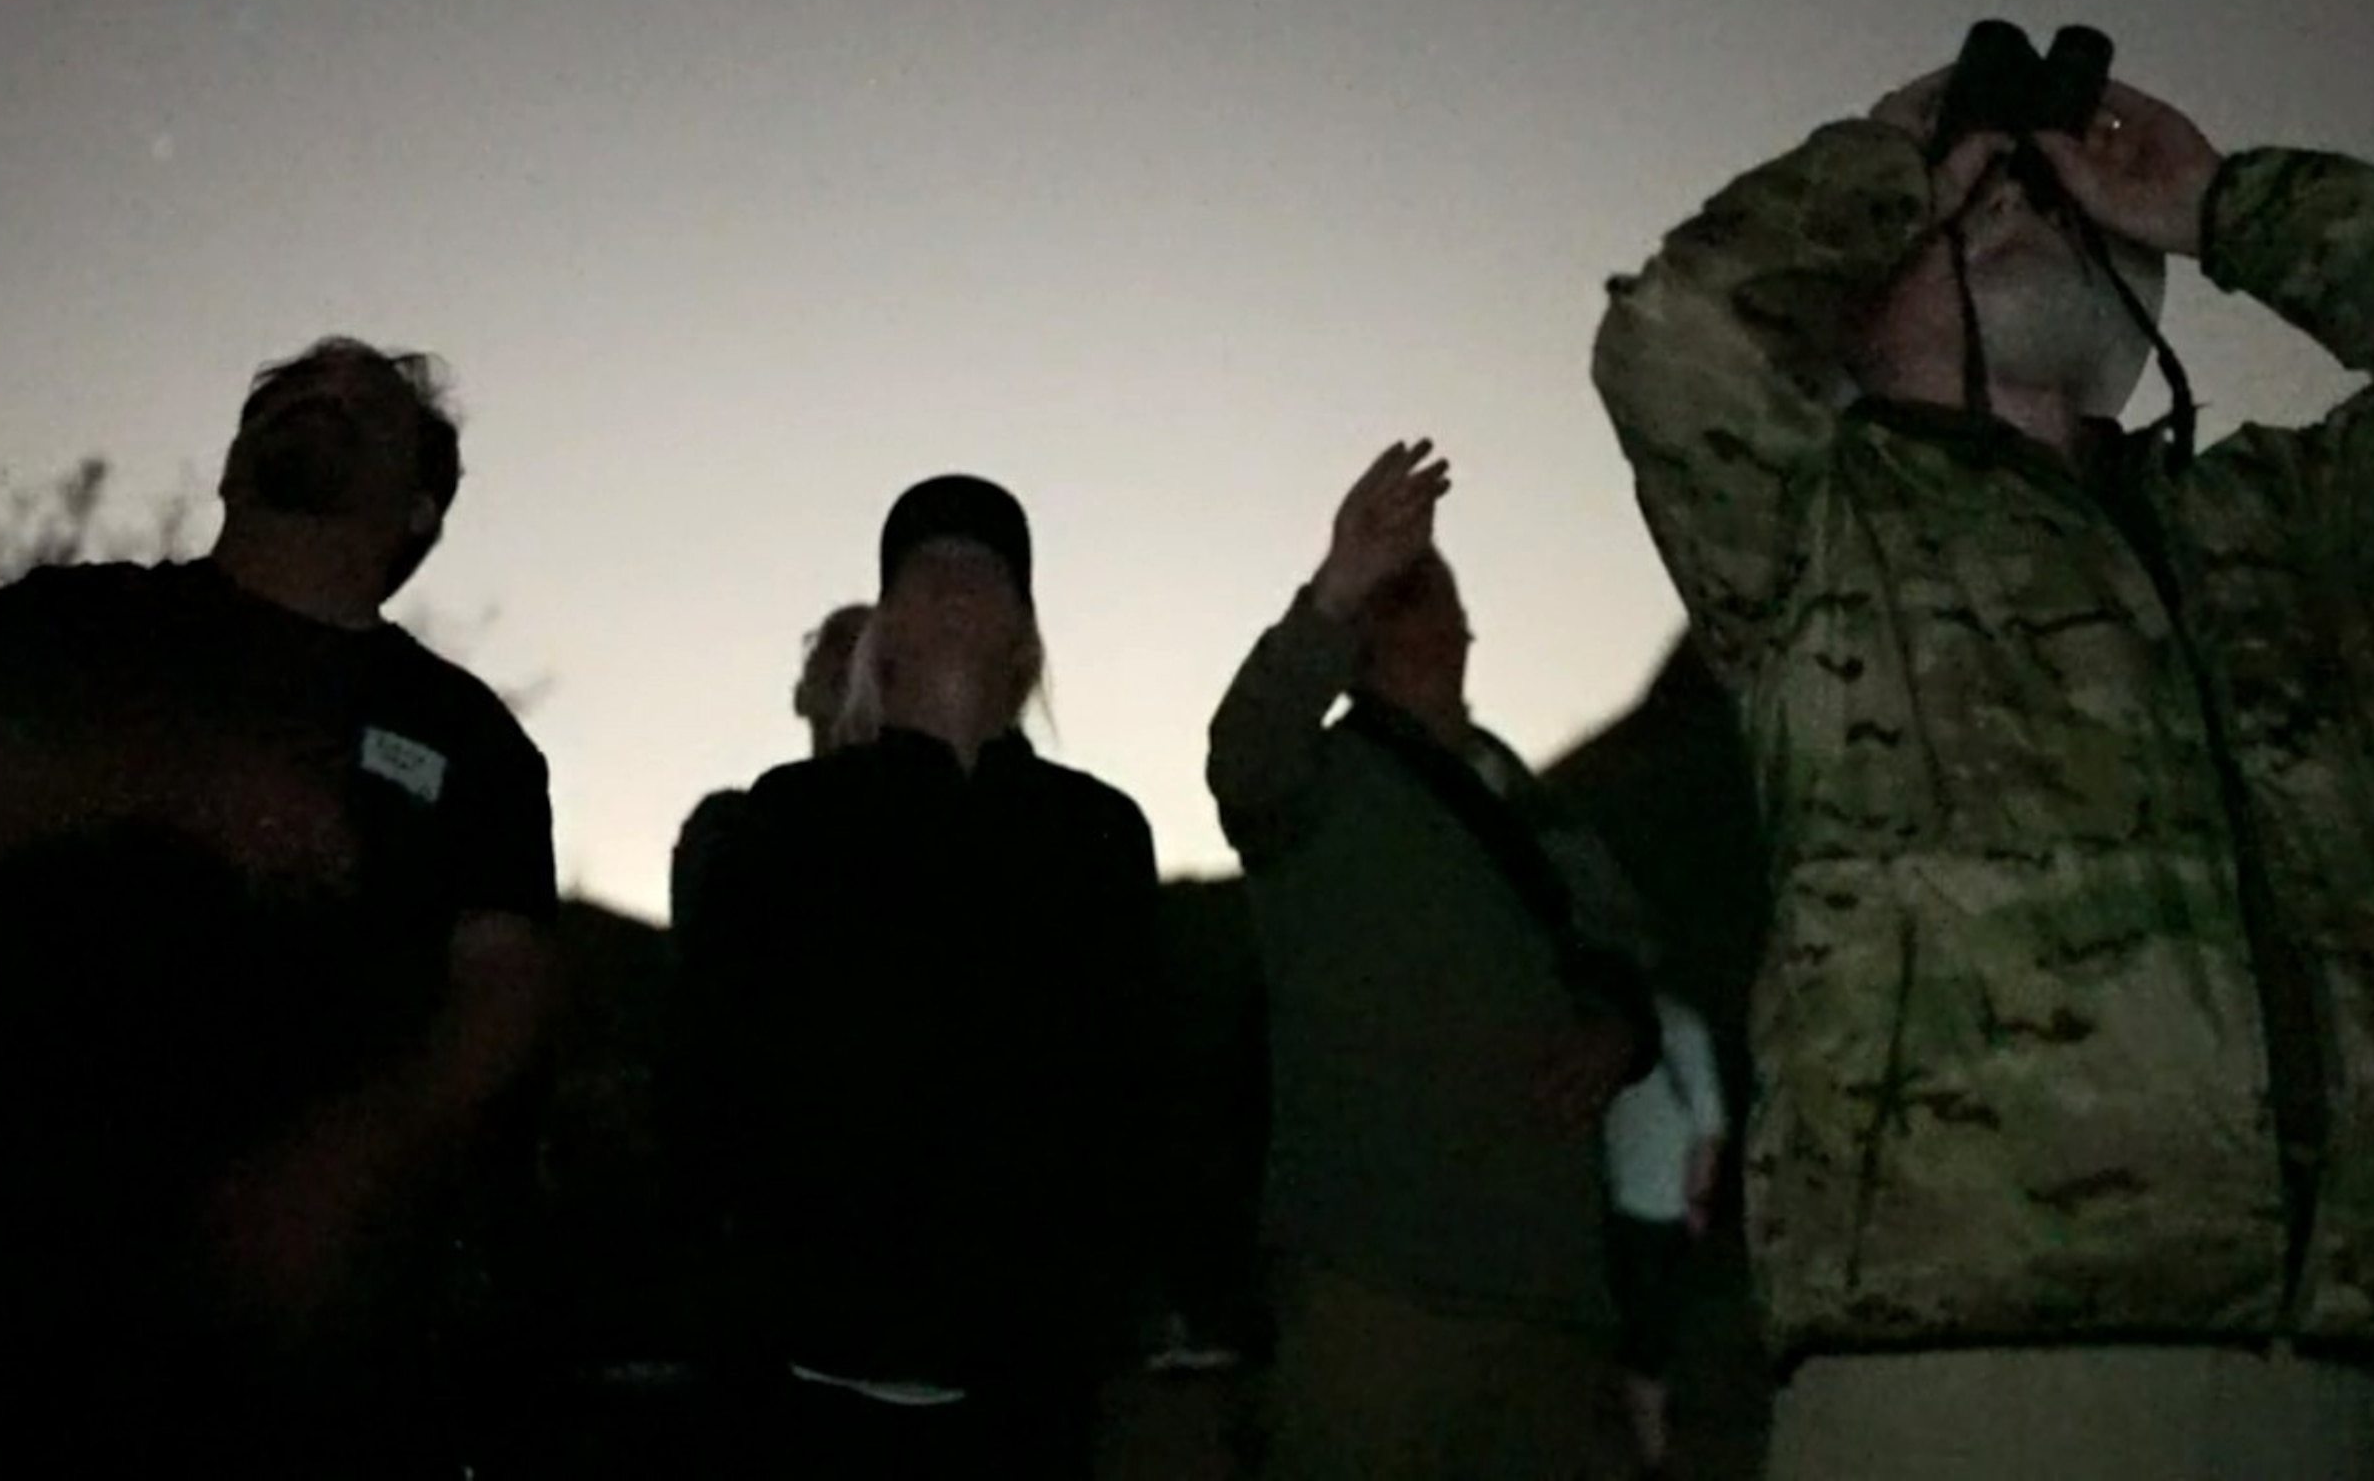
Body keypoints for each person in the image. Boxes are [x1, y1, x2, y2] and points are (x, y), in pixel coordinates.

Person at [1588, 41, 2374, 1480]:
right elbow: (1675, 337)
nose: (2011, 197)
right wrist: (1894, 156)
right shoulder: (1821, 529)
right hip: (1963, 1388)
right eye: (1971, 198)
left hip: (2314, 1387)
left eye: (2044, 185)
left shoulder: (2275, 534)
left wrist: (2226, 208)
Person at [0, 335, 558, 1477]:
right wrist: (171, 781)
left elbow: (503, 991)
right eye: (288, 390)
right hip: (3, 1280)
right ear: (227, 465)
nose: (319, 398)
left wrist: (357, 1160)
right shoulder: (65, 623)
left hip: (310, 1340)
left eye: (366, 403)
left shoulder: (473, 737)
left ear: (419, 509)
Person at [679, 475, 1160, 1478]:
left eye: (984, 566)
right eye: (921, 566)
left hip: (1027, 1397)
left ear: (1026, 641)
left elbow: (1126, 1086)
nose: (952, 577)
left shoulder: (1098, 835)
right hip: (807, 1384)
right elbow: (723, 1076)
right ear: (882, 633)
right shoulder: (782, 821)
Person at [1207, 441, 1661, 1481]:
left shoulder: (1534, 802)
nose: (1415, 606)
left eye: (1428, 589)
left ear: (1464, 629)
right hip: (1378, 1287)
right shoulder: (1317, 784)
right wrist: (1330, 590)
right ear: (1360, 638)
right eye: (1392, 594)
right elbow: (1244, 751)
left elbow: (1628, 952)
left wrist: (1616, 1026)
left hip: (1552, 1292)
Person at [669, 601, 871, 934]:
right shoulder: (732, 825)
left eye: (870, 645)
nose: (852, 655)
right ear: (801, 695)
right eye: (836, 640)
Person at [1602, 988, 1727, 1479]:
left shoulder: (1680, 1029)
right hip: (1623, 1200)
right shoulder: (1609, 1020)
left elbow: (1709, 1127)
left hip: (1661, 1210)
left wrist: (1697, 1202)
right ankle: (1650, 1409)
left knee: (1648, 1335)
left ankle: (1654, 1457)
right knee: (1644, 1319)